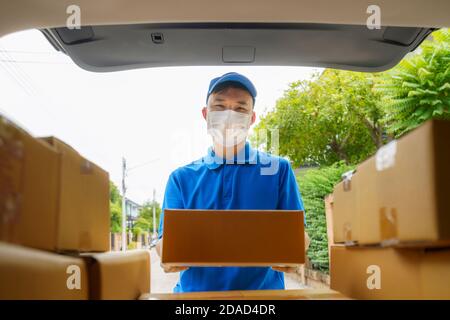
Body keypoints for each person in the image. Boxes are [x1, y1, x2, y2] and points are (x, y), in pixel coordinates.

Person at [156, 72, 309, 293]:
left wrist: (297, 251)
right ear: (206, 114)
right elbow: (165, 242)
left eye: (240, 109)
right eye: (220, 107)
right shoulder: (181, 178)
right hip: (196, 302)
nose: (229, 115)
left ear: (252, 118)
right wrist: (165, 255)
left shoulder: (278, 171)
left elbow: (299, 236)